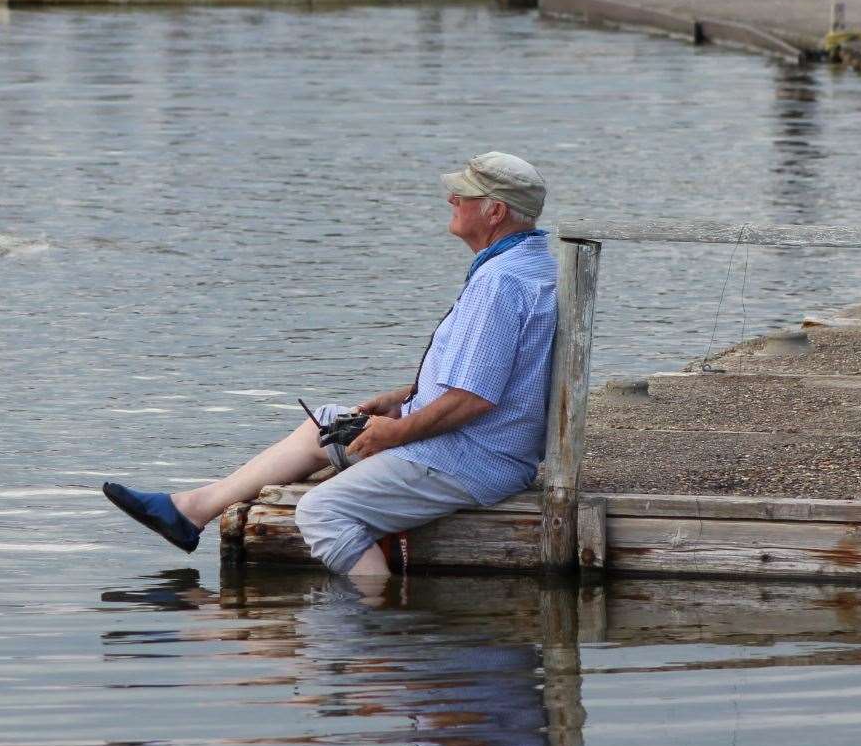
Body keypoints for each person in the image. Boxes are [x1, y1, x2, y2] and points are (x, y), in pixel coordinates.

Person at [103, 152, 558, 580]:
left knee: (322, 511)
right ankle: (189, 510)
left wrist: (396, 432)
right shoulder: (523, 265)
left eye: (465, 195)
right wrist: (404, 398)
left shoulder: (501, 282)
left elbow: (475, 397)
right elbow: (492, 369)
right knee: (326, 424)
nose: (452, 200)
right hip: (477, 442)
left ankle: (377, 625)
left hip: (471, 459)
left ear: (494, 212)